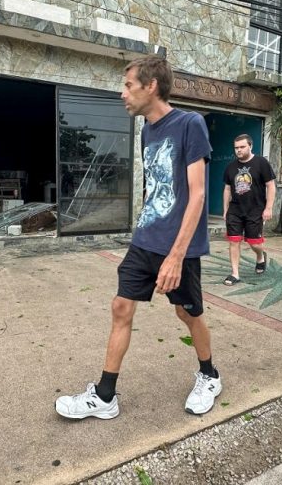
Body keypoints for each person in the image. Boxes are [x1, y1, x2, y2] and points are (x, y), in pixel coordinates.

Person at [55, 56, 220, 420]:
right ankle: (104, 395)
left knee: (187, 313)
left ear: (152, 86)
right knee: (120, 307)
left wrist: (176, 257)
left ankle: (209, 375)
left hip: (180, 245)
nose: (122, 93)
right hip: (146, 238)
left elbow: (197, 195)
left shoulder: (190, 124)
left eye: (128, 85)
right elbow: (155, 188)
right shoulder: (147, 129)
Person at [221, 134, 276, 285]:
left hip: (255, 210)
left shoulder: (261, 163)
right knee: (233, 241)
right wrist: (225, 210)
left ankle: (260, 256)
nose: (238, 150)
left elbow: (270, 185)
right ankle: (235, 274)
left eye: (242, 147)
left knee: (254, 243)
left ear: (250, 146)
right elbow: (227, 189)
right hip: (235, 210)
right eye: (236, 148)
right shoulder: (230, 167)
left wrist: (268, 208)